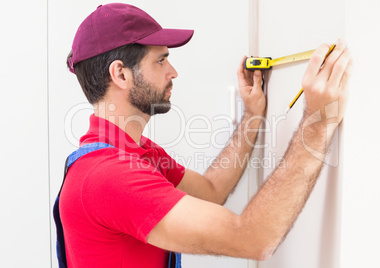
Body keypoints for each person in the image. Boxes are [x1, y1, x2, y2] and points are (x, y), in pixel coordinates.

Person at [58, 2, 352, 268]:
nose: (173, 72)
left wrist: (252, 117)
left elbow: (211, 191)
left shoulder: (136, 152)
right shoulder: (108, 176)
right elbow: (253, 239)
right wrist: (318, 122)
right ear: (121, 74)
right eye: (160, 61)